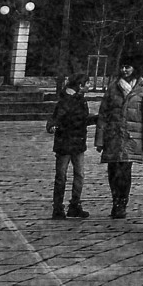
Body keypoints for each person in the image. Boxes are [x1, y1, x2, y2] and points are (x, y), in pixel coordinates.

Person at [97, 52, 143, 221]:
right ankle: (115, 200)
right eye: (122, 67)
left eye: (127, 67)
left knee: (125, 171)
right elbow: (103, 114)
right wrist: (99, 139)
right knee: (113, 170)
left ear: (134, 68)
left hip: (131, 137)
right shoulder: (113, 87)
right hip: (113, 136)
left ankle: (122, 202)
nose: (124, 70)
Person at [46, 74, 92, 218]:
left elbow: (83, 119)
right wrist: (52, 126)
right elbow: (55, 118)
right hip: (66, 143)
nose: (89, 86)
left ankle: (73, 205)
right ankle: (59, 207)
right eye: (88, 84)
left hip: (76, 142)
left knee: (78, 175)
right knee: (63, 176)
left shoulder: (80, 100)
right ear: (80, 85)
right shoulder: (66, 101)